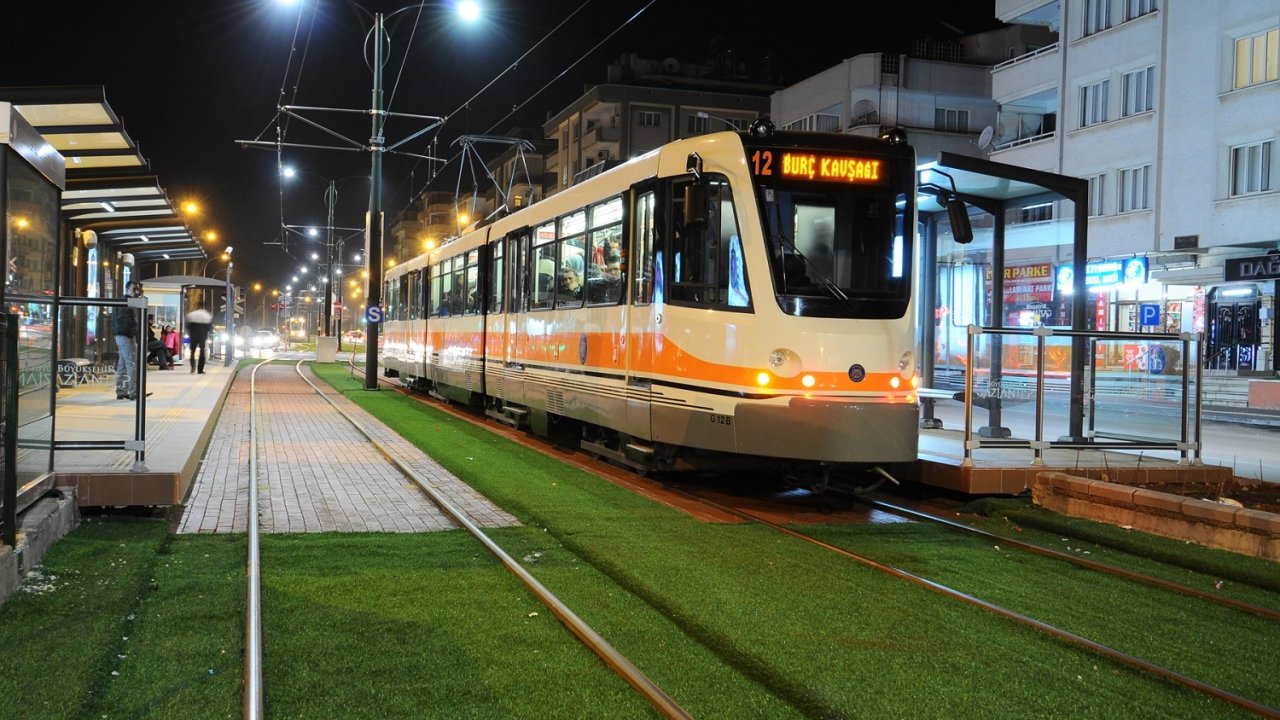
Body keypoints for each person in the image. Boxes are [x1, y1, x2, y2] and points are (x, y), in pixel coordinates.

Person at [111, 280, 143, 400]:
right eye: (134, 289)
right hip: (125, 335)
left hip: (123, 335)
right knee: (131, 363)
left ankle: (121, 391)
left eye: (138, 289)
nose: (137, 292)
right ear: (127, 289)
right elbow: (125, 322)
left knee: (123, 363)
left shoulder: (128, 302)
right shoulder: (127, 303)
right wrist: (133, 333)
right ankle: (133, 392)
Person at [186, 307, 213, 374]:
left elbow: (188, 326)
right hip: (202, 336)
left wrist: (190, 332)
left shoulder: (192, 315)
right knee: (202, 351)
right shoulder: (207, 315)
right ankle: (200, 370)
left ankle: (193, 368)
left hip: (193, 335)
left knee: (192, 352)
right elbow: (209, 328)